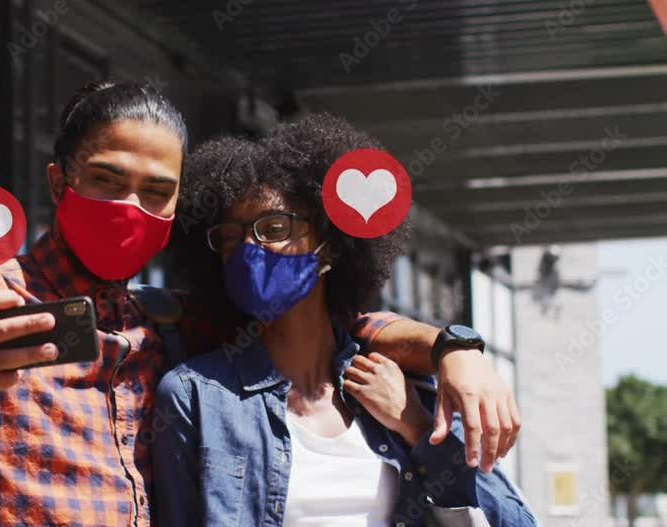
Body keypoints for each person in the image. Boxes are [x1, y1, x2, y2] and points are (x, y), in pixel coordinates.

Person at [0, 81, 520, 526]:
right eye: (106, 180)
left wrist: (453, 346)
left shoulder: (168, 320)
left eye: (156, 191)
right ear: (59, 180)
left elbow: (330, 325)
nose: (129, 206)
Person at [153, 115, 536, 526]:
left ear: (329, 247)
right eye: (231, 237)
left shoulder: (406, 389)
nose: (249, 247)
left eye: (274, 227)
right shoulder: (196, 397)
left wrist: (418, 428)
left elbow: (513, 521)